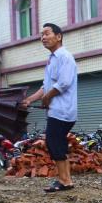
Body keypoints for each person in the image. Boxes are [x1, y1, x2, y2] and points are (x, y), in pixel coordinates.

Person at [22, 23, 78, 192]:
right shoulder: (53, 59)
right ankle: (66, 180)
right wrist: (29, 100)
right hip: (56, 110)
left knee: (54, 144)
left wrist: (47, 97)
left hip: (62, 110)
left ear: (58, 36)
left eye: (47, 34)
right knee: (58, 144)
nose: (43, 38)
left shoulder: (65, 57)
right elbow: (45, 86)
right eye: (41, 35)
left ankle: (64, 180)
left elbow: (64, 83)